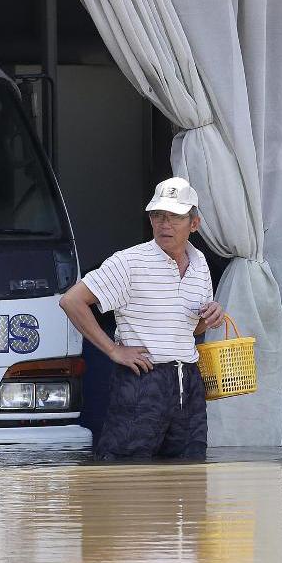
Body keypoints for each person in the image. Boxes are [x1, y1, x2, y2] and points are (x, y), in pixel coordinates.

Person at [59, 177, 224, 460]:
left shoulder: (201, 265)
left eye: (174, 217)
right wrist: (113, 350)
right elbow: (71, 301)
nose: (164, 224)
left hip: (188, 382)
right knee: (125, 467)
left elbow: (191, 328)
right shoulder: (129, 261)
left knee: (191, 469)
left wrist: (211, 317)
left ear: (193, 224)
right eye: (157, 215)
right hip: (143, 378)